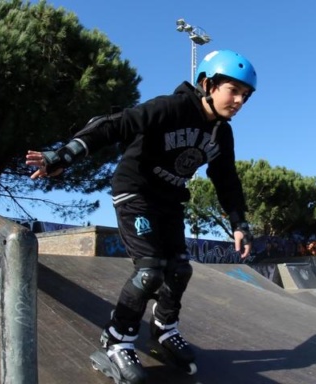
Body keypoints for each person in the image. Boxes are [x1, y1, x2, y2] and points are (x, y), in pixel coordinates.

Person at [26, 49, 257, 383]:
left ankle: (164, 330)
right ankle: (117, 341)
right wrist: (66, 153)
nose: (238, 101)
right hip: (136, 192)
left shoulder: (223, 134)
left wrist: (239, 223)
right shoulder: (172, 107)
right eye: (233, 90)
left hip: (170, 200)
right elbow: (115, 124)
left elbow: (226, 180)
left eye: (245, 96)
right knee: (149, 272)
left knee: (178, 270)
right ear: (207, 83)